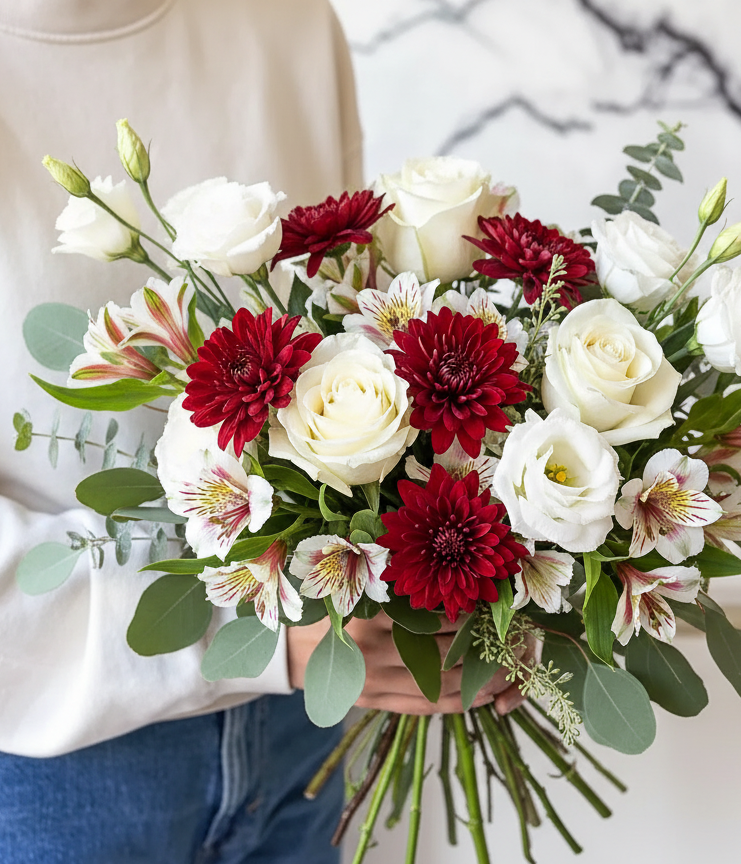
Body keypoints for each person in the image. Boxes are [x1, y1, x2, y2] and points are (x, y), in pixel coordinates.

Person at [0, 2, 521, 861]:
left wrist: (496, 573)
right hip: (45, 768)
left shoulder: (287, 21)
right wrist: (267, 630)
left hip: (310, 733)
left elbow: (356, 328)